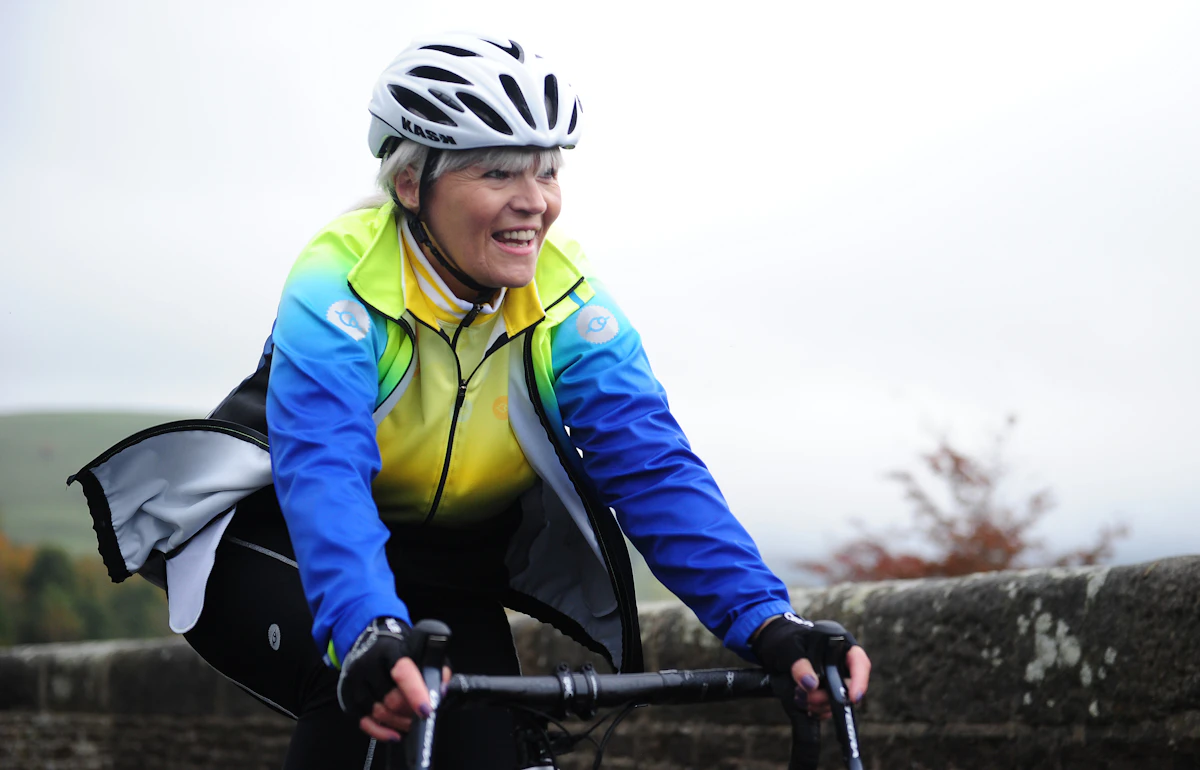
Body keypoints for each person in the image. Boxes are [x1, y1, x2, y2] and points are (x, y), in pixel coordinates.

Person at [69, 33, 870, 769]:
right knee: (368, 700)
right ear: (411, 182)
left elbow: (651, 466)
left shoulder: (566, 301)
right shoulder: (339, 281)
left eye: (548, 169)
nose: (535, 201)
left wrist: (767, 623)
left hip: (444, 565)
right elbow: (326, 467)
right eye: (498, 171)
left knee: (492, 751)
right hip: (280, 538)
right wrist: (366, 630)